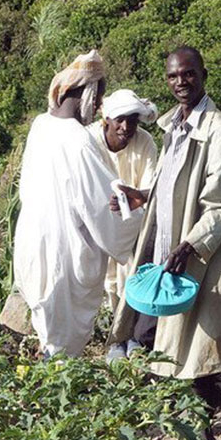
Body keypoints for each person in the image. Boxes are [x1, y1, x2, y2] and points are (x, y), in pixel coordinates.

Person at [109, 46, 221, 409]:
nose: (181, 82)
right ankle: (199, 408)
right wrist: (143, 196)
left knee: (180, 344)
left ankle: (199, 423)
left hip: (197, 255)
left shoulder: (220, 133)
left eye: (188, 74)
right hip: (167, 253)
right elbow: (175, 187)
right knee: (168, 340)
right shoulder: (172, 128)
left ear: (204, 75)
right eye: (174, 76)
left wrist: (190, 246)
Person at [13, 50, 144, 358]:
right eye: (97, 98)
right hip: (64, 252)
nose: (98, 106)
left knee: (49, 332)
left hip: (32, 247)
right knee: (61, 343)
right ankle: (55, 396)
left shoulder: (40, 126)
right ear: (85, 93)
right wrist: (138, 223)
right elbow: (103, 206)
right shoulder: (77, 140)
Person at [85, 89, 160, 313]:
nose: (125, 128)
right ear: (106, 120)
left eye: (132, 121)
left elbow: (151, 189)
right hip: (96, 221)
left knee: (132, 272)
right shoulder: (89, 141)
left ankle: (127, 327)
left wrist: (132, 199)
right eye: (120, 120)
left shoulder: (144, 142)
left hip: (134, 221)